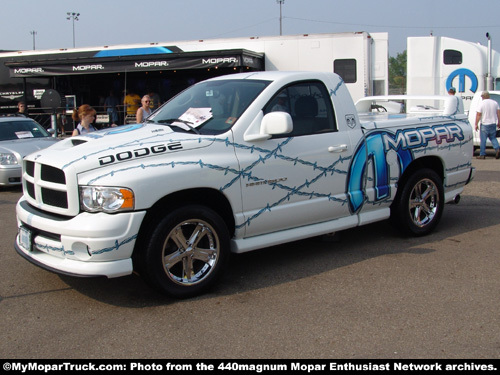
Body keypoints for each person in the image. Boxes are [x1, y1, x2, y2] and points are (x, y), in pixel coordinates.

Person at [474, 91, 500, 159]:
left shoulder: (481, 104)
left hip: (485, 124)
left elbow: (478, 114)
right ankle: (497, 149)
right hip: (493, 124)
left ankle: (482, 154)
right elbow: (498, 113)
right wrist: (499, 122)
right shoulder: (495, 103)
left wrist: (476, 124)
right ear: (488, 96)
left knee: (483, 140)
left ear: (483, 97)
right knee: (493, 138)